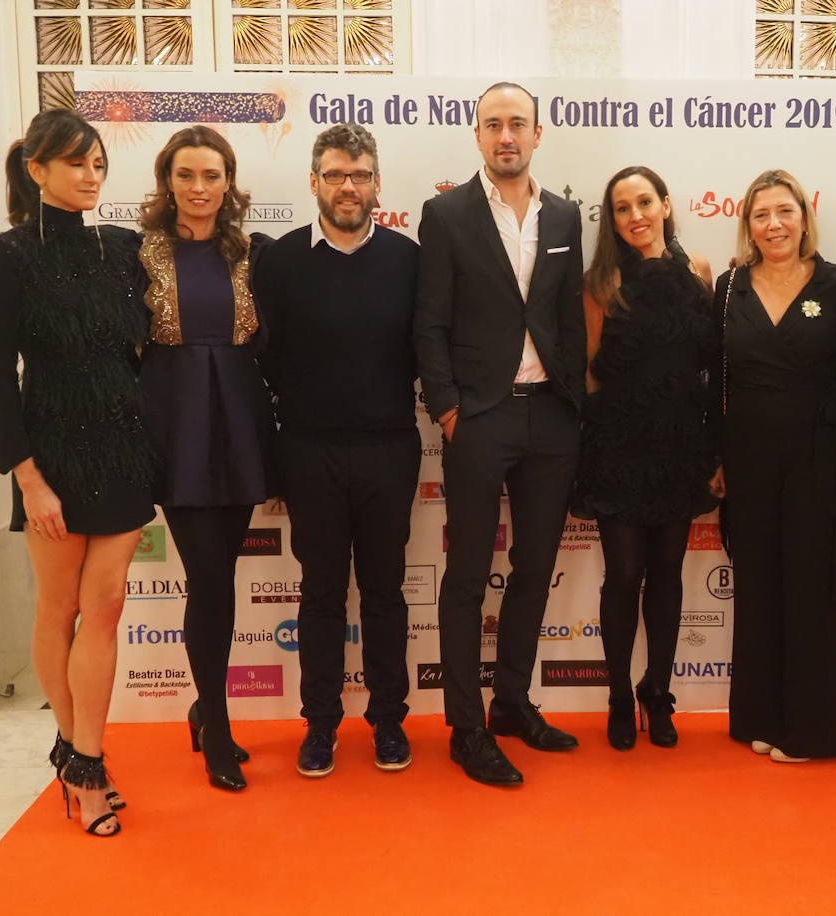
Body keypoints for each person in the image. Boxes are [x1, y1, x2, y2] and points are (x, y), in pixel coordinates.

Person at [0, 109, 152, 836]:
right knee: (61, 610)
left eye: (98, 163)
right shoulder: (7, 255)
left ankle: (87, 758)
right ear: (37, 170)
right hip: (49, 455)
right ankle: (76, 763)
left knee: (105, 608)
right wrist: (28, 478)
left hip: (125, 450)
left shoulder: (125, 249)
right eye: (75, 163)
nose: (90, 176)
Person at [414, 82, 585, 786]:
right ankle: (466, 726)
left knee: (536, 569)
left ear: (539, 134)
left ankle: (512, 702)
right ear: (476, 135)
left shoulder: (567, 216)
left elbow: (568, 317)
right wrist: (449, 409)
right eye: (493, 125)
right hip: (479, 418)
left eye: (518, 124)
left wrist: (576, 407)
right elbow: (429, 322)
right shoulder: (446, 213)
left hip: (551, 416)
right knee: (465, 576)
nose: (506, 135)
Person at [256, 124, 420, 778]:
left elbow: (421, 353)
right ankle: (320, 726)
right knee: (320, 593)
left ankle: (388, 724)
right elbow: (265, 361)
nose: (347, 187)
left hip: (389, 449)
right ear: (314, 182)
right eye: (334, 175)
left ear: (377, 183)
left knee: (384, 592)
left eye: (359, 175)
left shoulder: (410, 260)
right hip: (309, 451)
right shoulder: (281, 261)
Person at [136, 126, 275, 792]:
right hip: (177, 424)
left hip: (242, 422)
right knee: (210, 578)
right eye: (186, 175)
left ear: (229, 182)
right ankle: (215, 723)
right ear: (168, 181)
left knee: (225, 575)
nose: (198, 188)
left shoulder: (252, 251)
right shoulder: (138, 254)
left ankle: (204, 708)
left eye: (211, 176)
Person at [710, 169, 836, 766]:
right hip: (746, 460)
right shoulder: (728, 288)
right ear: (748, 225)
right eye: (762, 214)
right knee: (760, 587)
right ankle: (760, 718)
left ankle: (811, 733)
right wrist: (715, 457)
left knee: (811, 590)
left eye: (784, 212)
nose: (774, 224)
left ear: (804, 216)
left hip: (818, 460)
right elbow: (715, 381)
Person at [573, 166, 715, 751]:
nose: (635, 215)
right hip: (620, 449)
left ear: (665, 204)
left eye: (644, 202)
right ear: (611, 220)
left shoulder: (700, 273)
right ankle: (615, 696)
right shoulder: (600, 283)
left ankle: (657, 691)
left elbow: (710, 364)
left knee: (667, 577)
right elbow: (587, 371)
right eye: (622, 208)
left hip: (680, 448)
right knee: (624, 575)